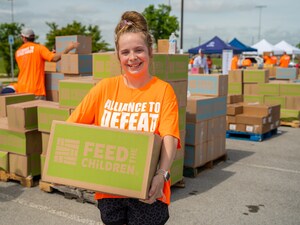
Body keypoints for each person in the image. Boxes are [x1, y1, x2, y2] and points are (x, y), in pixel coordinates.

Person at [67, 11, 180, 225]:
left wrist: (162, 175)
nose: (132, 57)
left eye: (139, 50)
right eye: (125, 52)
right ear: (118, 56)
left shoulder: (163, 90)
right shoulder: (104, 88)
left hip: (149, 192)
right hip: (109, 193)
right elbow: (72, 130)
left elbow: (169, 137)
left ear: (150, 52)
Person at [1, 28, 79, 99]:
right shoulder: (39, 48)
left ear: (24, 38)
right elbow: (55, 58)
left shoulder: (18, 52)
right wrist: (68, 48)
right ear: (33, 37)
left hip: (22, 91)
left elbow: (29, 62)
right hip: (36, 90)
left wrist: (48, 54)